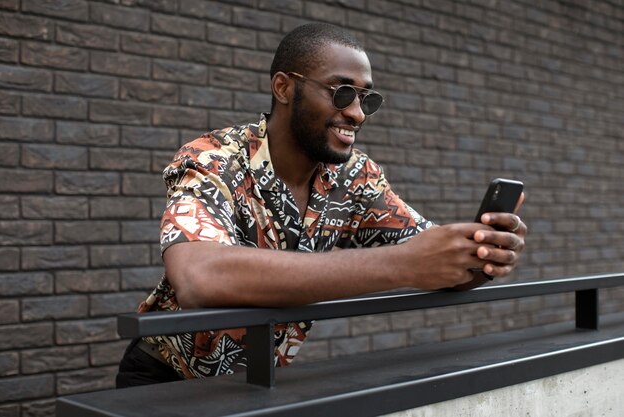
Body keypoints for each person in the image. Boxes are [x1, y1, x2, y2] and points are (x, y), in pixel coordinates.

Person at [116, 22, 526, 387]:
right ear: (284, 87)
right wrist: (402, 264)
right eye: (342, 92)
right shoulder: (213, 159)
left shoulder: (355, 177)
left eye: (367, 99)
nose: (357, 113)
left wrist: (482, 253)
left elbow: (433, 258)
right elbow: (199, 278)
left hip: (262, 382)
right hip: (165, 381)